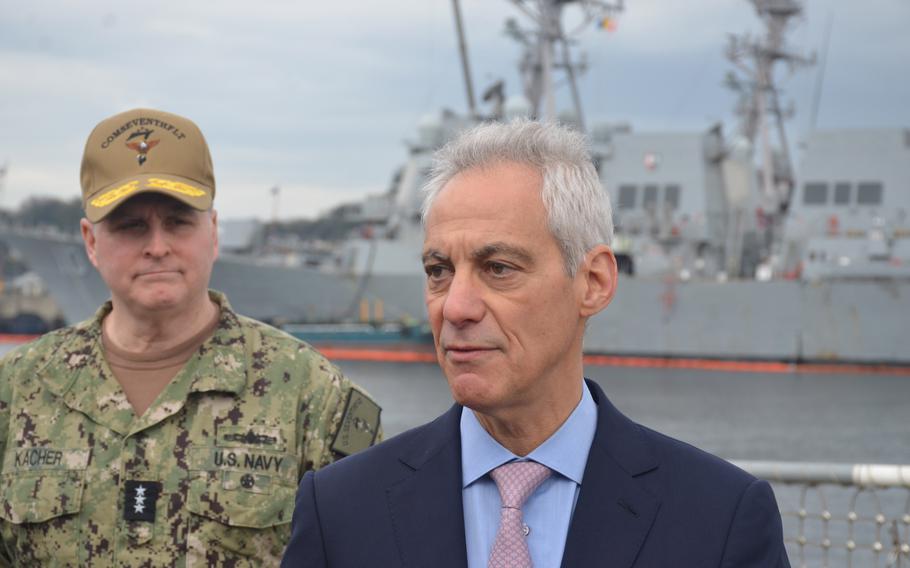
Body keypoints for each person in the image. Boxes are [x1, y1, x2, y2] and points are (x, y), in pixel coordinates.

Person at [282, 119, 790, 567]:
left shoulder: (721, 520)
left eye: (498, 268)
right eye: (438, 271)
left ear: (593, 281)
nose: (454, 307)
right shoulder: (341, 510)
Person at [0, 108, 381, 566]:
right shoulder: (17, 389)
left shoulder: (314, 398)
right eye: (130, 225)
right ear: (91, 241)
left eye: (179, 221)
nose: (157, 245)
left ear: (213, 233)